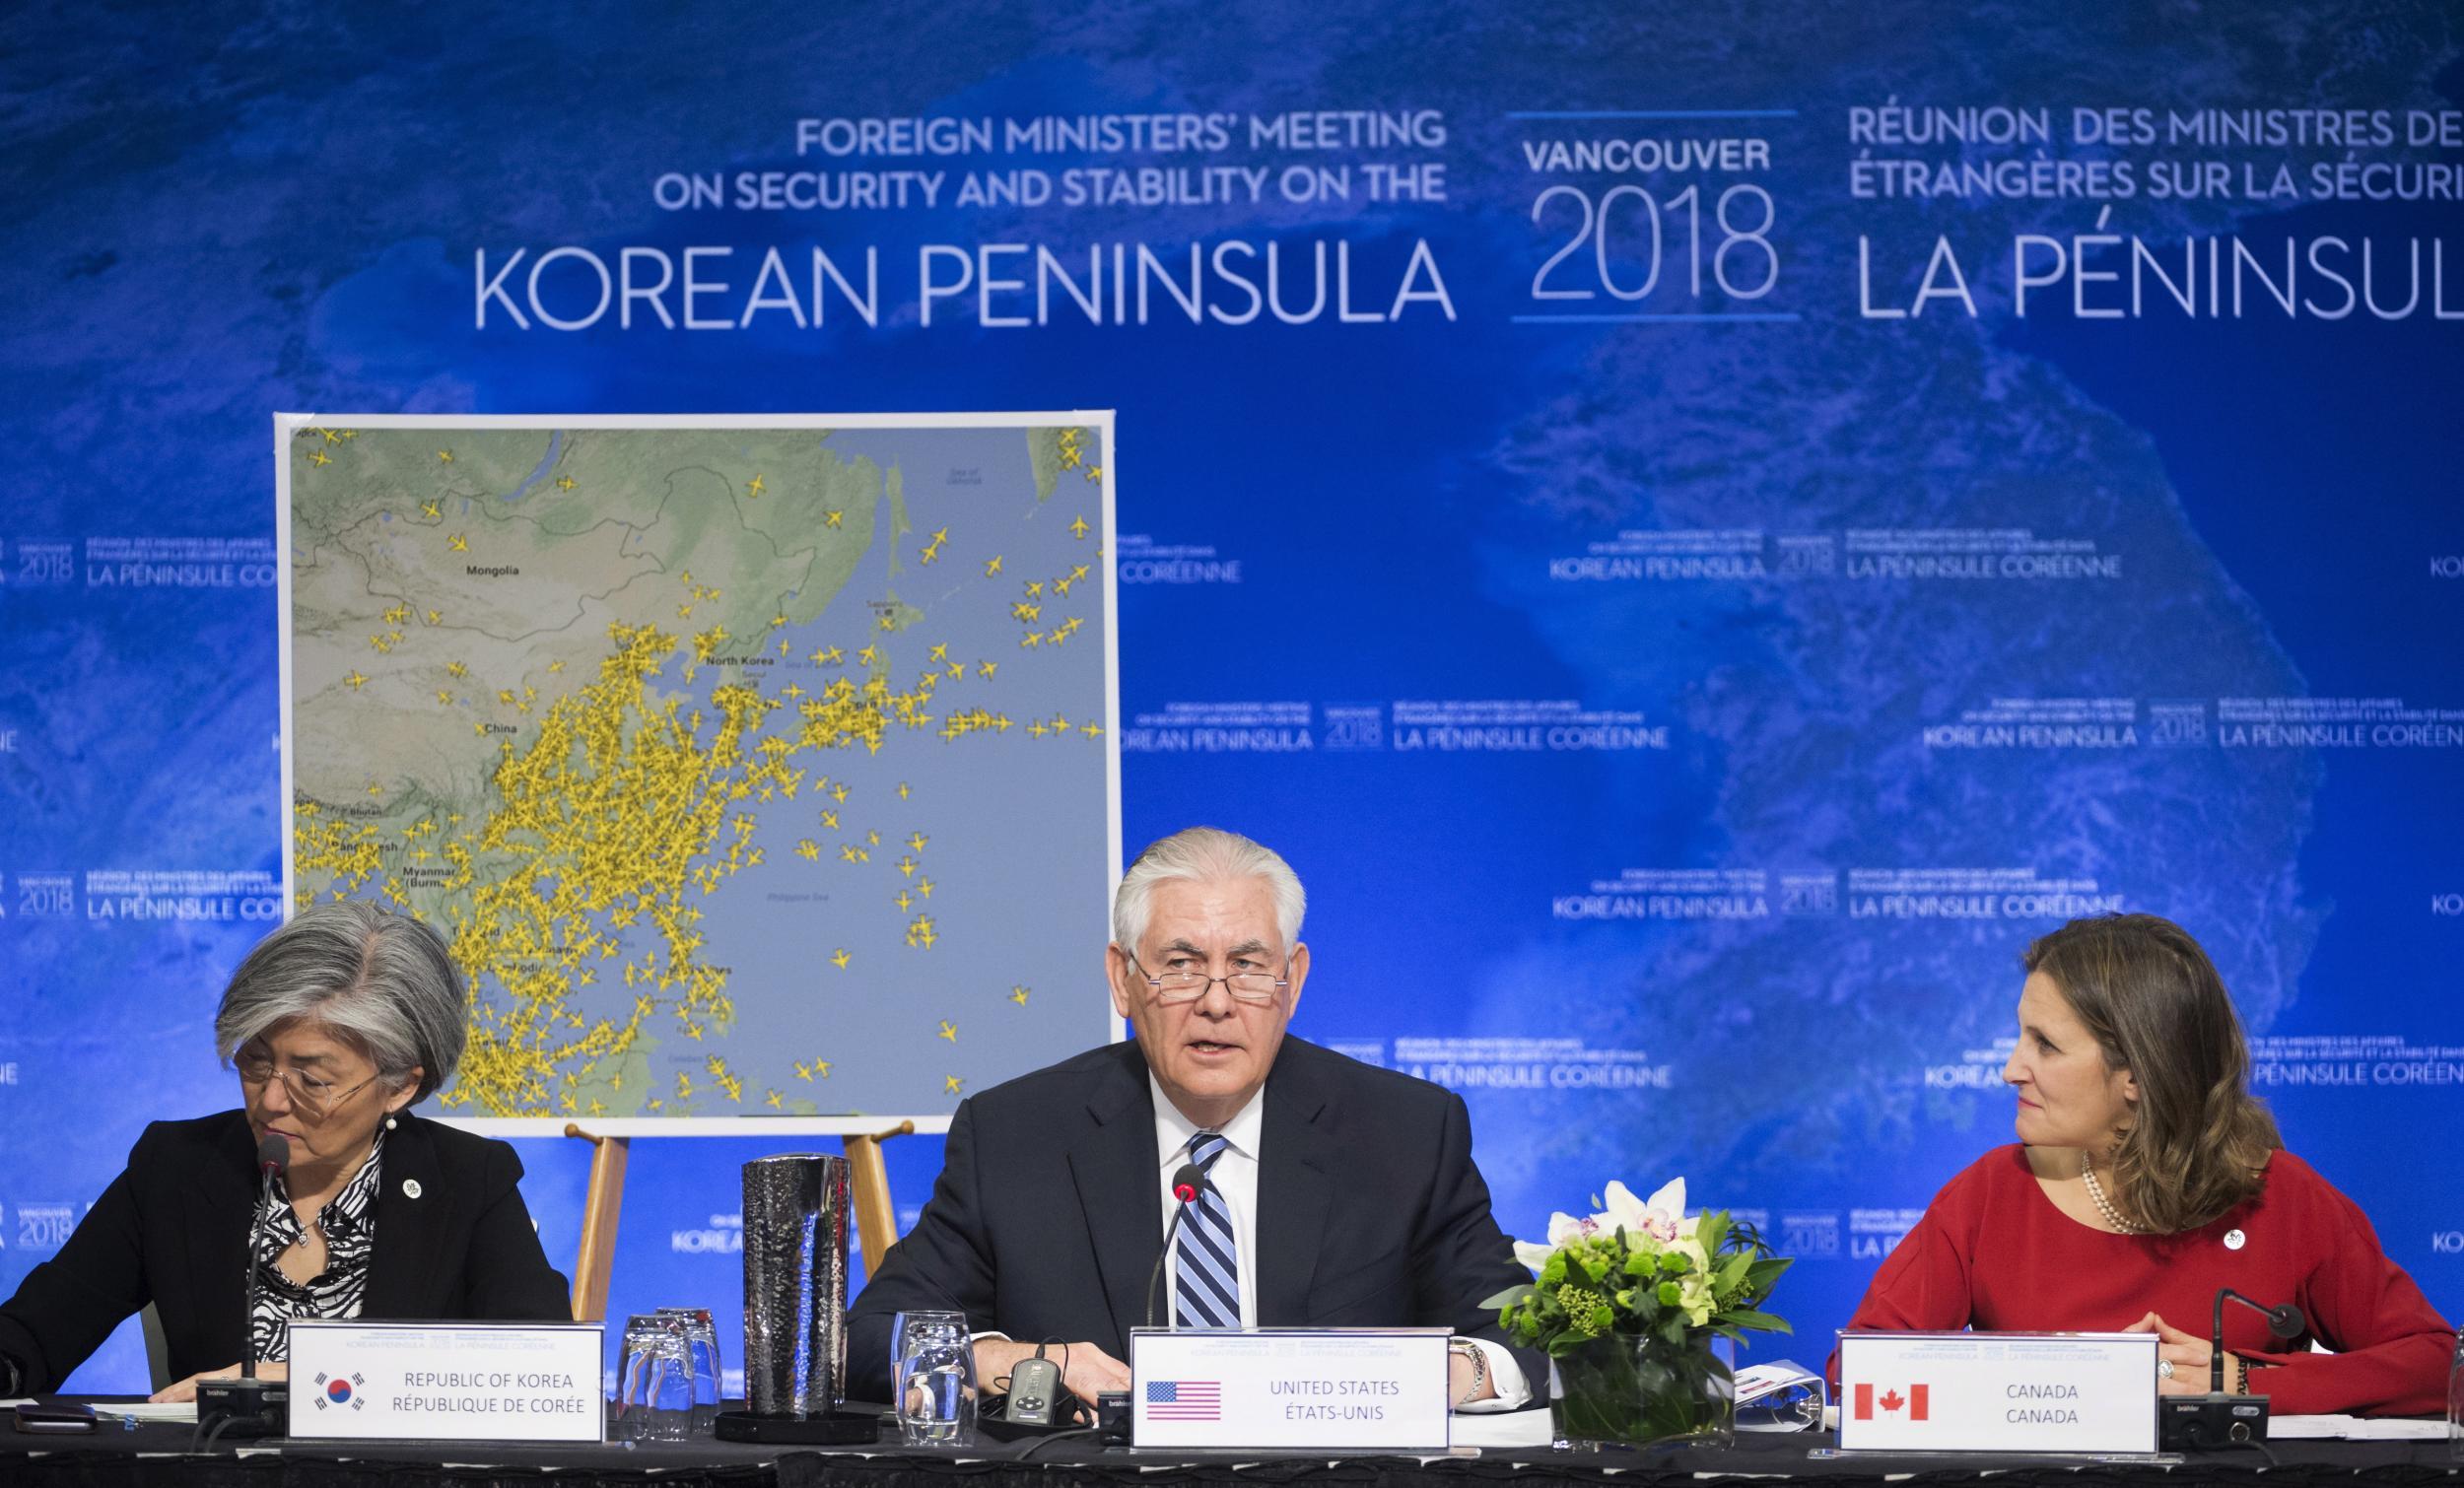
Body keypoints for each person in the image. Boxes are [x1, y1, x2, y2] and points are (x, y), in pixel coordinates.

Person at [848, 826, 1540, 1412]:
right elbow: (872, 1340)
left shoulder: (1404, 1132)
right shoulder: (1018, 1136)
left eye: (1247, 965)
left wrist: (1452, 1372)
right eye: (1181, 965)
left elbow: (1525, 1337)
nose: (1216, 1001)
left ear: (1292, 981)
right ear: (1123, 979)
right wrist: (1036, 1364)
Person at [1837, 913, 2451, 1415]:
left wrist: (2245, 1384)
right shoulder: (1991, 1194)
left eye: (2045, 1044)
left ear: (2135, 1075)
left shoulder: (2280, 1198)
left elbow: (2437, 1367)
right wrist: (2070, 1377)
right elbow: (1858, 1376)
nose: (2010, 1069)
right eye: (2021, 1036)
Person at [0, 902, 571, 1401]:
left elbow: (538, 1365)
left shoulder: (470, 1180)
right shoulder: (177, 1166)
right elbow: (34, 1335)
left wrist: (305, 1377)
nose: (271, 1100)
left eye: (313, 1079)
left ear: (399, 1087)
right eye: (256, 1062)